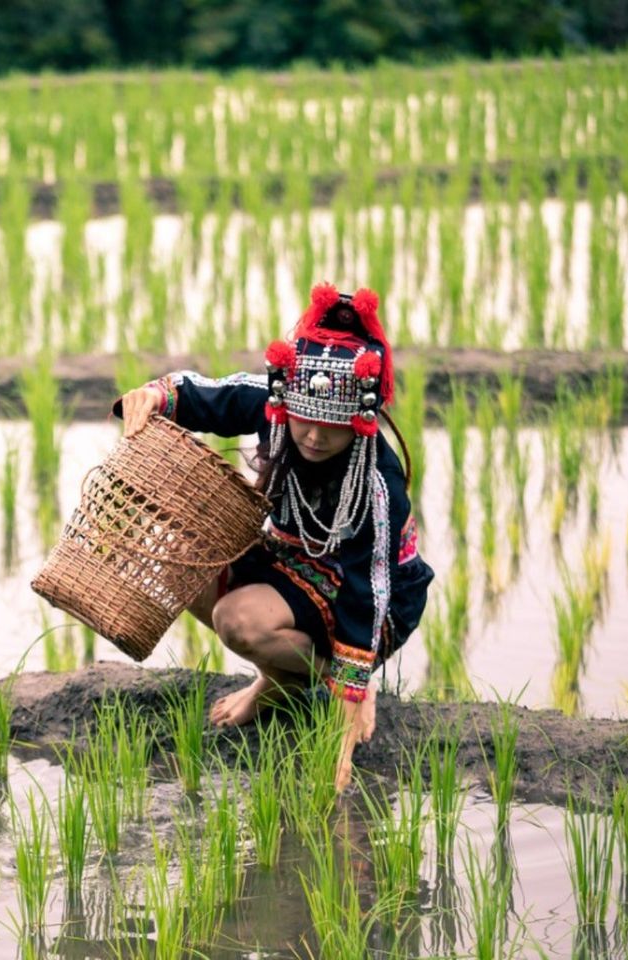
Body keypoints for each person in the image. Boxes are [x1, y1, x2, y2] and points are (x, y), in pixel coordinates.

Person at [113, 282, 435, 792]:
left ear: (362, 422)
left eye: (332, 426)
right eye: (305, 419)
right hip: (293, 562)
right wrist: (156, 395)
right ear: (288, 401)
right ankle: (281, 680)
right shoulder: (275, 407)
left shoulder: (376, 484)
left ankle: (326, 676)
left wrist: (352, 695)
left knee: (236, 620)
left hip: (371, 601)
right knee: (185, 561)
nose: (312, 436)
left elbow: (366, 593)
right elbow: (208, 394)